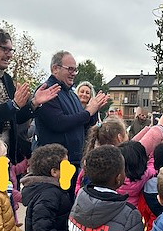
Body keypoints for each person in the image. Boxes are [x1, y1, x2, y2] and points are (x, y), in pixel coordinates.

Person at [0, 28, 61, 164]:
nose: (9, 55)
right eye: (4, 49)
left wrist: (34, 103)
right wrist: (12, 105)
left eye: (11, 50)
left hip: (3, 159)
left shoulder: (6, 79)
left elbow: (15, 118)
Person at [35, 51, 109, 198]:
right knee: (55, 207)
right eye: (70, 69)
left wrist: (93, 112)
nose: (74, 73)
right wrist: (88, 112)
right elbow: (58, 123)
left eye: (75, 69)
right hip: (55, 166)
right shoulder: (47, 91)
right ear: (55, 68)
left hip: (73, 162)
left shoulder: (71, 94)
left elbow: (82, 124)